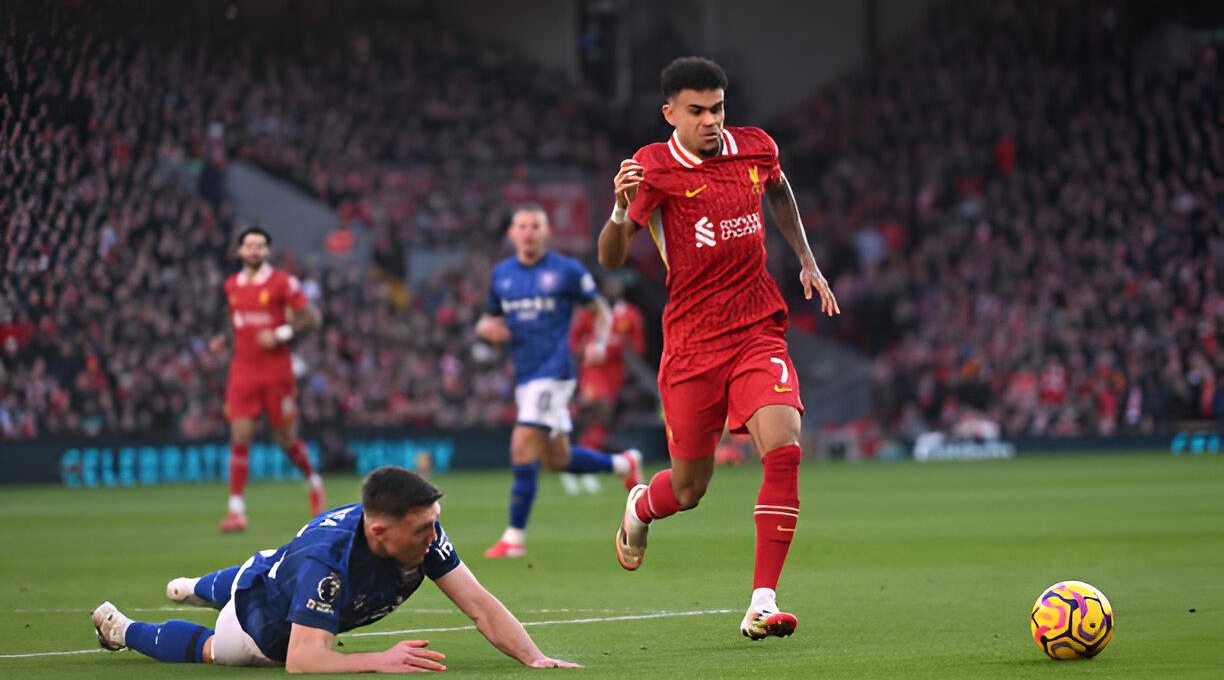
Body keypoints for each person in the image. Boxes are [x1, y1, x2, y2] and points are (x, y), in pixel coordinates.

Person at [597, 56, 841, 641]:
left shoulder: (755, 148)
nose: (711, 120)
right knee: (689, 489)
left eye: (718, 108)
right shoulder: (652, 169)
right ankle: (640, 506)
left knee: (782, 447)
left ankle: (761, 601)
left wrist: (806, 261)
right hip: (691, 346)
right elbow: (611, 256)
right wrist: (615, 209)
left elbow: (779, 193)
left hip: (758, 328)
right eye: (697, 111)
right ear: (670, 113)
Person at [91, 466, 582, 672]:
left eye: (434, 525)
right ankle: (123, 628)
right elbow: (302, 660)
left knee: (257, 567)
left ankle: (195, 586)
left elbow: (479, 604)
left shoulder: (418, 527)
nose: (433, 537)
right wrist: (379, 658)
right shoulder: (328, 564)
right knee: (216, 648)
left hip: (276, 567)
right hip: (263, 627)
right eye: (422, 530)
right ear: (380, 532)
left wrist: (534, 657)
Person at [476, 204, 643, 558]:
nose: (529, 231)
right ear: (512, 233)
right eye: (522, 225)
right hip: (526, 373)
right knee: (556, 458)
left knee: (522, 445)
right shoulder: (502, 274)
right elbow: (488, 320)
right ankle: (623, 463)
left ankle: (513, 539)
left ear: (546, 232)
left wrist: (599, 343)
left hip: (554, 372)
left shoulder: (565, 271)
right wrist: (487, 329)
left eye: (536, 225)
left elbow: (600, 310)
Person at [209, 226, 326, 532]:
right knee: (240, 436)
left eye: (260, 246)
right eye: (249, 245)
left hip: (276, 373)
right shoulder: (231, 286)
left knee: (285, 438)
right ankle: (236, 511)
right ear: (240, 251)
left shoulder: (282, 283)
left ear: (267, 252)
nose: (254, 250)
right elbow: (235, 324)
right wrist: (223, 340)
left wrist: (280, 333)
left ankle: (313, 481)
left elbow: (313, 317)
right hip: (243, 371)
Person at [563, 275, 647, 494]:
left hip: (615, 374)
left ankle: (574, 465)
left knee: (598, 423)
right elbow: (573, 341)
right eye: (610, 281)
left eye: (617, 281)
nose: (614, 285)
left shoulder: (630, 314)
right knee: (602, 409)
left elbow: (635, 348)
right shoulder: (590, 312)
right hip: (593, 372)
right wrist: (584, 352)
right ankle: (584, 469)